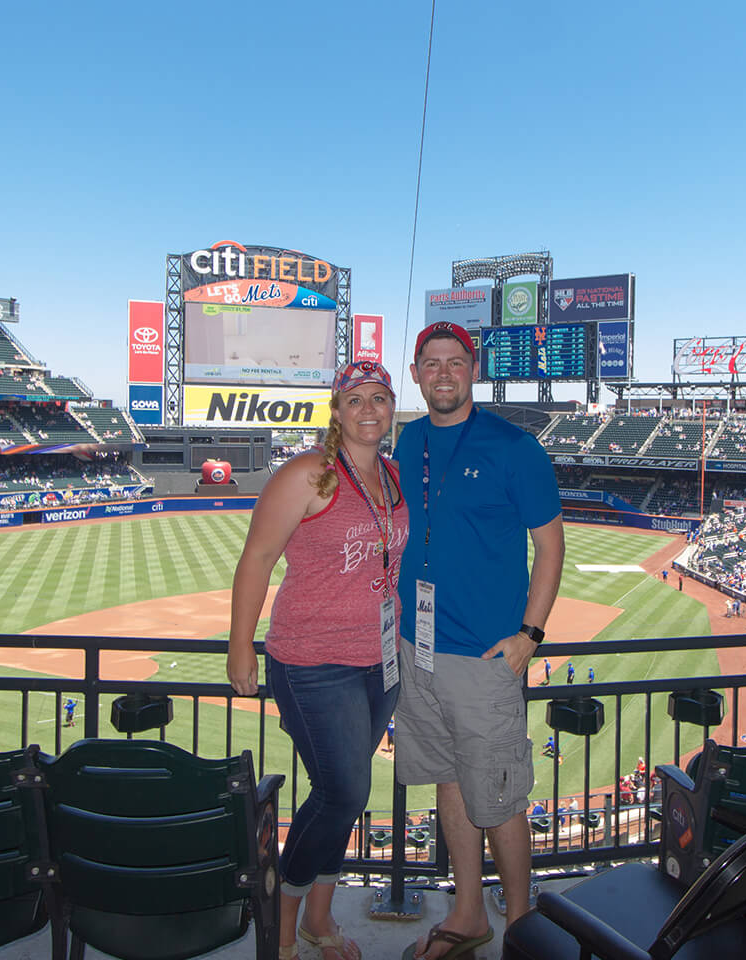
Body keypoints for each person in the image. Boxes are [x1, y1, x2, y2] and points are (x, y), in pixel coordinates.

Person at [392, 322, 565, 956]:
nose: (443, 373)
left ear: (473, 371)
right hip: (420, 647)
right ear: (416, 373)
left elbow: (551, 547)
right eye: (431, 362)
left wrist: (531, 633)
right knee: (448, 780)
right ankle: (468, 915)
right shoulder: (407, 440)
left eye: (455, 362)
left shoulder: (515, 447)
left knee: (499, 797)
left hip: (487, 654)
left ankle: (521, 930)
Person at [227, 359, 407, 960]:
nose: (368, 410)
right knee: (345, 791)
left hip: (378, 662)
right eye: (355, 399)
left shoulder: (395, 476)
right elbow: (256, 559)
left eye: (379, 398)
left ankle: (319, 921)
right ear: (336, 410)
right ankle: (282, 926)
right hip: (311, 662)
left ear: (390, 407)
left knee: (340, 796)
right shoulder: (309, 474)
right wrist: (239, 645)